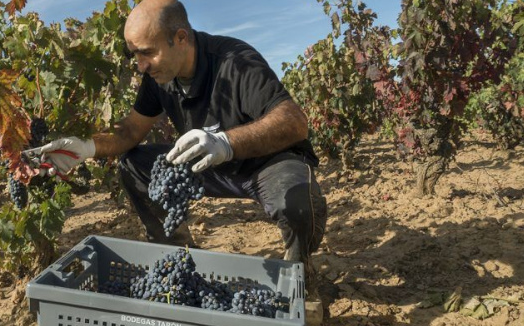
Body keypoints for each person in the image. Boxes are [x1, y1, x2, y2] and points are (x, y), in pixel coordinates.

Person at [34, 0, 332, 303]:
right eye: (135, 54)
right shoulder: (159, 76)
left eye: (147, 52)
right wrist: (86, 146)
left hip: (266, 165)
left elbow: (295, 122)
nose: (141, 65)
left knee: (298, 202)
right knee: (134, 164)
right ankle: (175, 262)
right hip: (208, 165)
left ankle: (300, 274)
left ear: (180, 38)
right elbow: (131, 131)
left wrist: (227, 143)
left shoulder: (235, 61)